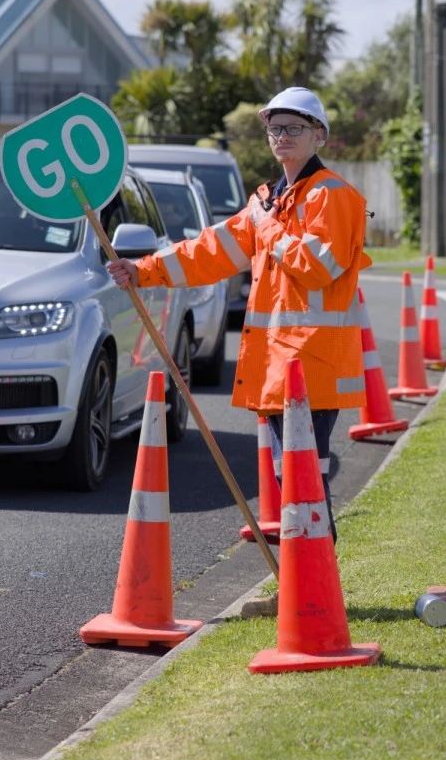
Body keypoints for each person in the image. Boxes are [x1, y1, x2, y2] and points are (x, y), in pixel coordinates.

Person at [107, 86, 370, 531]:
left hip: (312, 368)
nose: (282, 136)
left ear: (318, 135)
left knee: (304, 483)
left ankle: (312, 592)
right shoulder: (269, 200)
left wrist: (266, 226)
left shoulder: (331, 196)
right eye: (274, 127)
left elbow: (317, 267)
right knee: (295, 482)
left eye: (294, 127)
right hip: (280, 368)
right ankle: (304, 590)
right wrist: (144, 270)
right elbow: (209, 250)